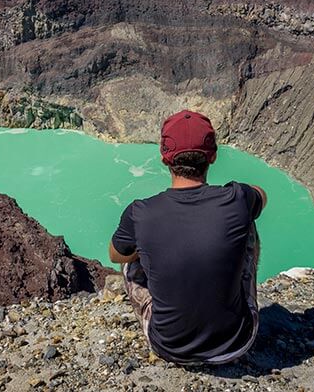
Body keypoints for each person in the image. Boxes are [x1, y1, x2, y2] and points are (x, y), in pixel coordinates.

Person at [109, 109, 267, 365]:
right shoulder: (237, 198)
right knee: (248, 222)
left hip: (169, 347)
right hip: (238, 342)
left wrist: (155, 243)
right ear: (213, 157)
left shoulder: (141, 212)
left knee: (129, 251)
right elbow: (262, 195)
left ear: (164, 159)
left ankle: (169, 310)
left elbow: (115, 254)